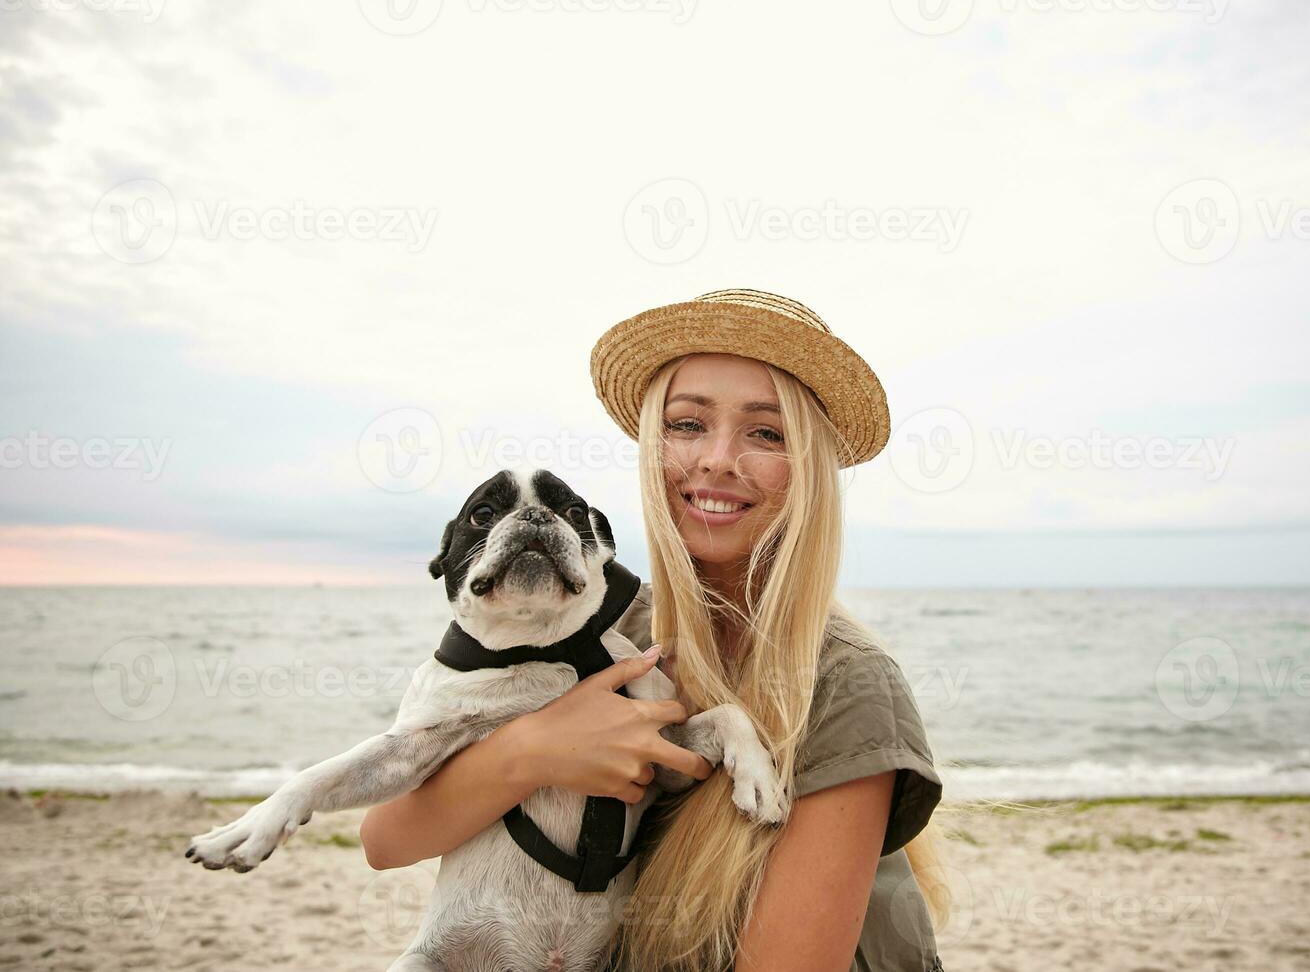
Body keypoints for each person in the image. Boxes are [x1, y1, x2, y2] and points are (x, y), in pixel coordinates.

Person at [360, 288, 948, 972]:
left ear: (808, 470)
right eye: (688, 424)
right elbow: (386, 841)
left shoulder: (846, 683)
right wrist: (534, 752)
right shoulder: (611, 631)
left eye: (766, 433)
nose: (717, 459)